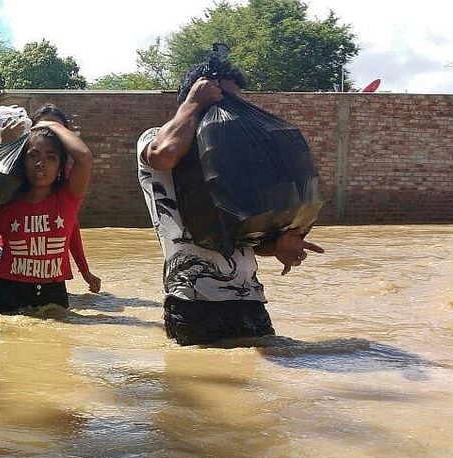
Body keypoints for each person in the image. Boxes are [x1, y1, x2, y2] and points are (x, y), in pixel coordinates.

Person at [137, 59, 324, 345]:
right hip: (192, 299)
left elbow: (243, 237)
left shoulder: (234, 156)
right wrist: (194, 104)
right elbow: (164, 155)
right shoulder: (153, 138)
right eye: (223, 99)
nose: (231, 109)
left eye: (236, 101)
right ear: (195, 92)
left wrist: (280, 245)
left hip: (250, 299)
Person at [0, 120, 93, 314]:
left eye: (51, 158)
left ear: (60, 168)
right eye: (33, 156)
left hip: (53, 292)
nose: (40, 164)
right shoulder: (5, 201)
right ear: (22, 161)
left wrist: (52, 124)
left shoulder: (68, 199)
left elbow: (84, 157)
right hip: (8, 292)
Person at [0, 103, 101, 293]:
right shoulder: (16, 171)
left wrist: (85, 271)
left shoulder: (68, 179)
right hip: (12, 257)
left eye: (56, 132)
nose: (49, 137)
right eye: (42, 130)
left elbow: (69, 226)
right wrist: (6, 147)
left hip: (49, 269)